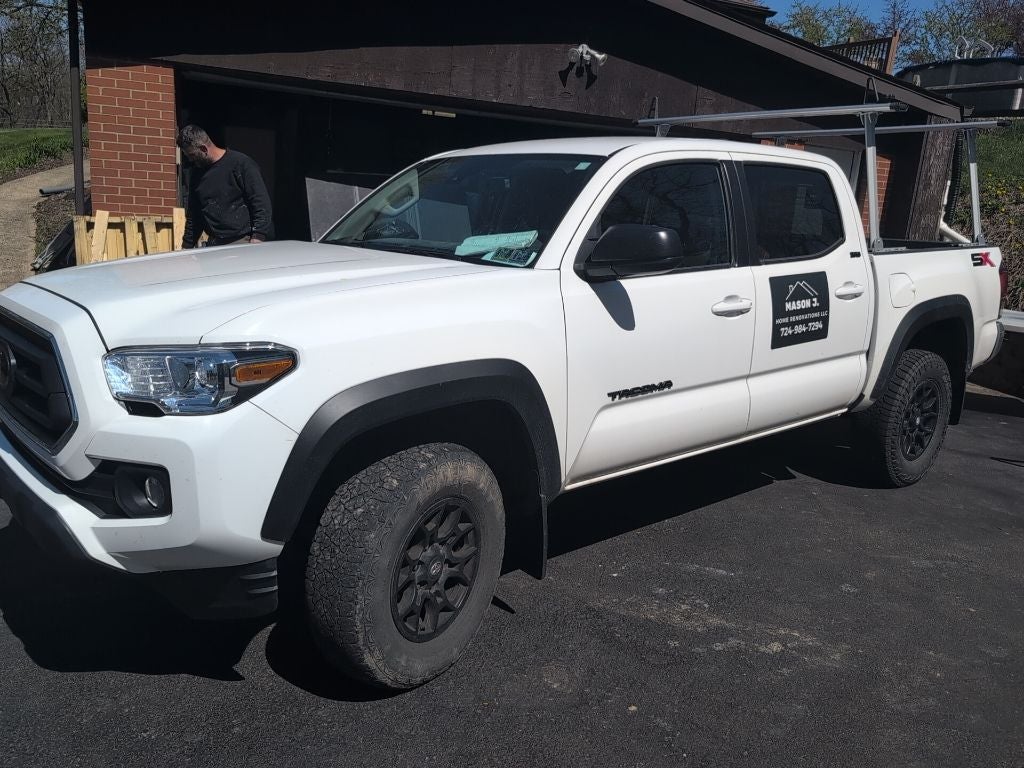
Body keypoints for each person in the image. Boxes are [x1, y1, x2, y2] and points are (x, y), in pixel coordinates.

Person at [177, 124, 273, 248]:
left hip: (244, 241)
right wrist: (186, 246)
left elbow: (260, 202)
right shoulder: (197, 175)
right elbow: (194, 215)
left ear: (203, 149)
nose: (190, 160)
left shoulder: (241, 165)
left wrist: (258, 236)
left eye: (192, 155)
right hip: (215, 243)